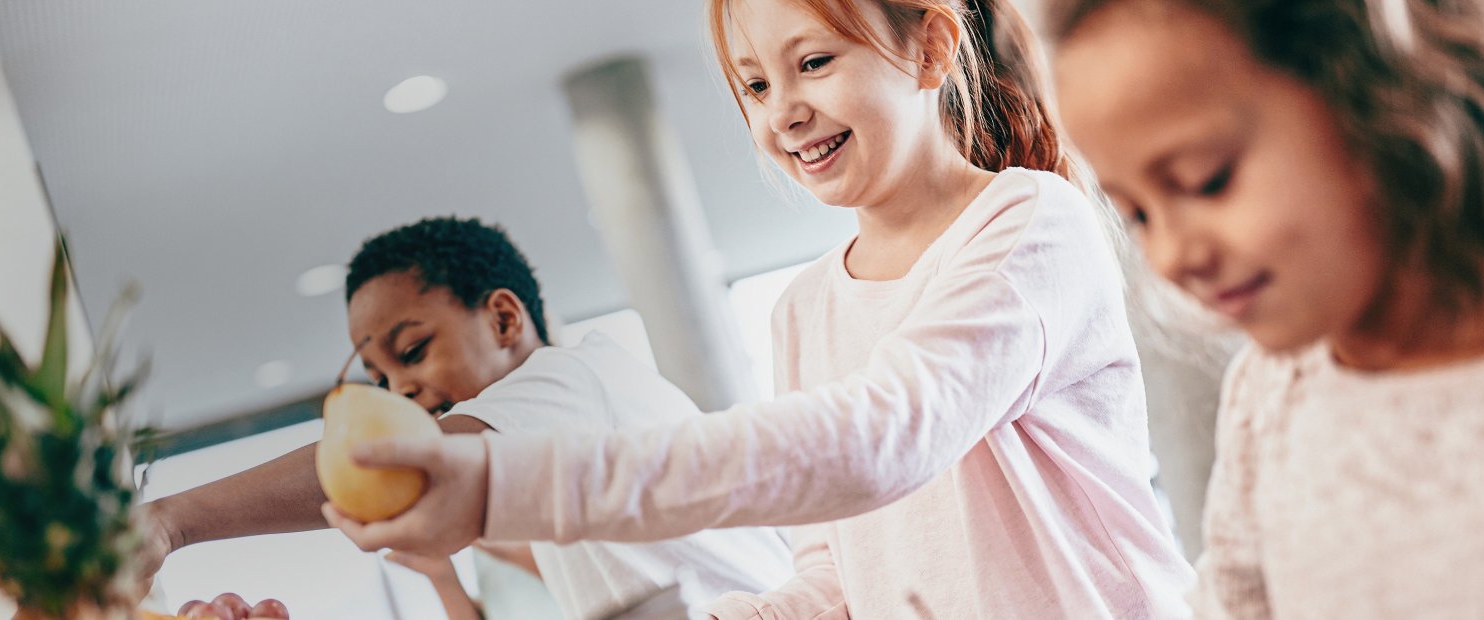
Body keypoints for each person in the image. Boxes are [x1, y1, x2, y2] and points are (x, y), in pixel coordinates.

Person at [321, 0, 1193, 616]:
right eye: (755, 87)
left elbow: (879, 439)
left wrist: (500, 485)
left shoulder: (1028, 222)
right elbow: (836, 574)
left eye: (812, 62)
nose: (785, 112)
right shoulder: (804, 309)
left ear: (929, 50)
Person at [1045, 0, 1484, 616]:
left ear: (1383, 95)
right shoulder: (1273, 388)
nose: (1170, 257)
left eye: (1206, 180)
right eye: (1137, 215)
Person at [142, 217, 794, 620]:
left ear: (505, 319)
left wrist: (171, 522)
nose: (400, 391)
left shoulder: (563, 377)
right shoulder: (553, 453)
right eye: (381, 380)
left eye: (413, 352)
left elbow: (404, 464)